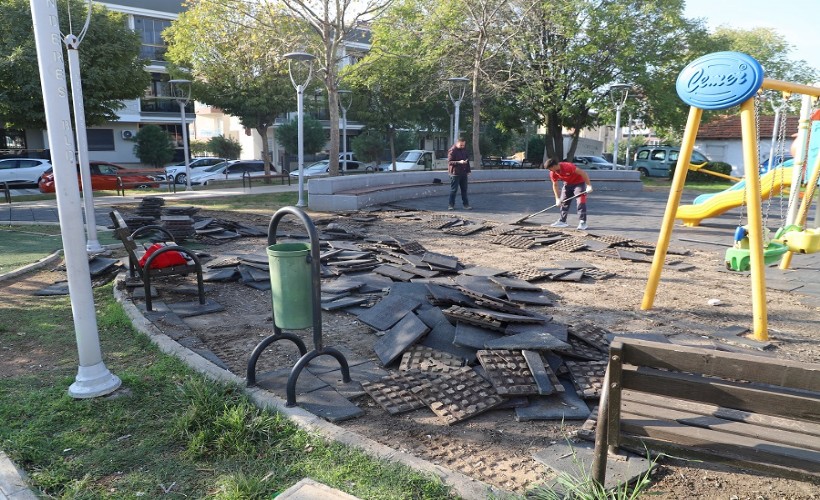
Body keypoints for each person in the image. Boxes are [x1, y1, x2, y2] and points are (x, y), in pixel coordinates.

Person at [544, 157, 593, 230]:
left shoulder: (568, 166)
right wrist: (557, 198)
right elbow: (555, 185)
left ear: (554, 166)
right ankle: (562, 221)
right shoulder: (553, 173)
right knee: (563, 202)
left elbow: (583, 173)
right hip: (567, 184)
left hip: (579, 183)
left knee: (580, 202)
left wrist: (589, 185)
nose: (549, 170)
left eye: (550, 168)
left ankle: (583, 222)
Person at [447, 138, 472, 210]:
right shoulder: (452, 150)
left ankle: (466, 205)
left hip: (463, 172)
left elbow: (467, 160)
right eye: (461, 145)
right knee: (454, 190)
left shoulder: (464, 150)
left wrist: (468, 170)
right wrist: (459, 162)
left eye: (463, 145)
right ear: (457, 143)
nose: (462, 146)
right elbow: (450, 162)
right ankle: (451, 205)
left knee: (464, 189)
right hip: (455, 173)